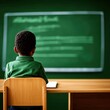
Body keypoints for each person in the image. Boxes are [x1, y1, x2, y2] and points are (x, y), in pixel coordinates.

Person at [5, 30, 48, 110]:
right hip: (34, 107)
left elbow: (7, 84)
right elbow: (44, 83)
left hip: (14, 107)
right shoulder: (38, 66)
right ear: (33, 50)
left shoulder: (9, 66)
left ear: (15, 49)